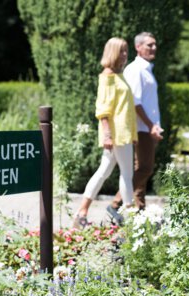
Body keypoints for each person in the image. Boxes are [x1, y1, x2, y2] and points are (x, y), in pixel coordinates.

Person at [74, 37, 138, 229]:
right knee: (127, 174)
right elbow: (103, 110)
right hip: (117, 134)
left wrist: (132, 134)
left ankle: (81, 212)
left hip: (123, 133)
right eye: (122, 51)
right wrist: (108, 135)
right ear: (113, 53)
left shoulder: (119, 75)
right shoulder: (108, 76)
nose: (125, 55)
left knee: (104, 171)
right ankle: (132, 217)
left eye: (126, 51)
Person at [107, 32, 163, 223]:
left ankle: (139, 207)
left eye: (154, 45)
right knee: (145, 168)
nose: (153, 48)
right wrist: (151, 126)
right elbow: (136, 103)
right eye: (149, 45)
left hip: (148, 127)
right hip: (141, 127)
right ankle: (116, 203)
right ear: (138, 47)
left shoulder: (146, 69)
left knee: (143, 168)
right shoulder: (136, 69)